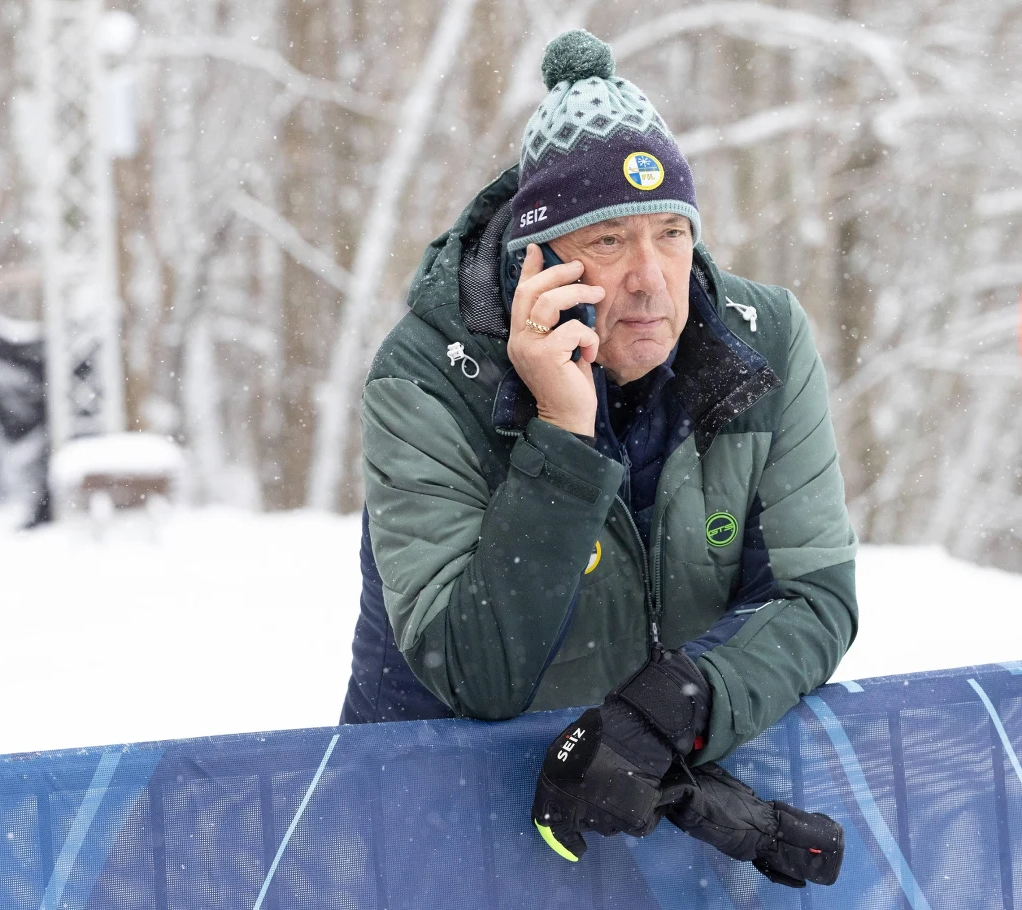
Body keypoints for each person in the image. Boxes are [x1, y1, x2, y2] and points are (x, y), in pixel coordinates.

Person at [339, 30, 853, 887]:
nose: (652, 279)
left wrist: (676, 709)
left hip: (637, 815)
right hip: (433, 830)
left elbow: (814, 596)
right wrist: (561, 435)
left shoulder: (766, 345)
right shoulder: (426, 379)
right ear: (534, 262)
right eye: (608, 242)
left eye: (670, 234)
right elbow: (480, 675)